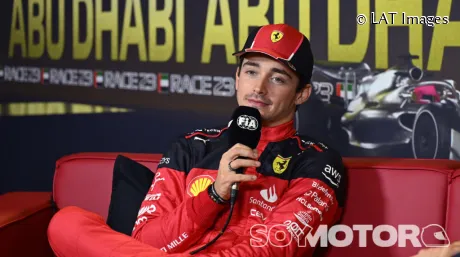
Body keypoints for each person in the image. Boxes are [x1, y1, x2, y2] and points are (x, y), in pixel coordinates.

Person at [47, 24, 348, 257]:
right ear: (236, 78)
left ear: (302, 94)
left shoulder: (317, 161)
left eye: (278, 78)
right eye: (251, 71)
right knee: (67, 222)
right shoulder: (192, 146)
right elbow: (148, 241)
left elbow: (274, 250)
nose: (258, 87)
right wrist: (214, 195)